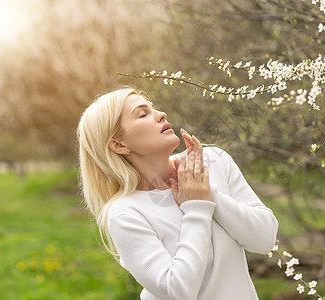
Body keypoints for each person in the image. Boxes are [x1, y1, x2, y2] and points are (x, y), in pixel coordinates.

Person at [77, 87, 279, 300]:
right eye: (143, 114)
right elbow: (178, 291)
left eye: (154, 108)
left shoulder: (214, 161)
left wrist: (206, 191)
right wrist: (197, 208)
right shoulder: (125, 213)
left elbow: (264, 239)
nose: (161, 114)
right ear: (119, 144)